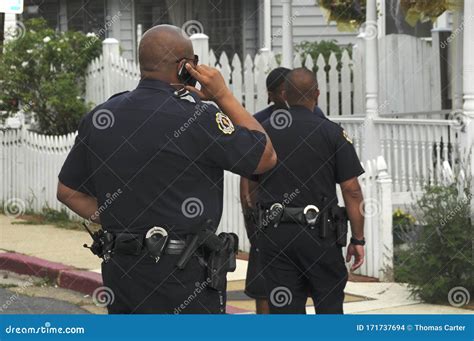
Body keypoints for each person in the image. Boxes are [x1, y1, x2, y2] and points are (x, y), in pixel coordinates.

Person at [56, 24, 277, 314]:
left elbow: (67, 191)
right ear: (186, 66)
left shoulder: (102, 115)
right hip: (184, 276)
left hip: (122, 273)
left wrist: (121, 220)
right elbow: (265, 157)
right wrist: (223, 95)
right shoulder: (198, 117)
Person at [252, 67, 366, 314]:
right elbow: (352, 190)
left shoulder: (265, 131)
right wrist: (358, 238)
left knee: (285, 313)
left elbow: (250, 185)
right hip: (319, 235)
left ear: (284, 93)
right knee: (329, 308)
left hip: (276, 233)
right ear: (317, 93)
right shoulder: (331, 133)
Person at [240, 67, 325, 314]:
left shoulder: (316, 118)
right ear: (272, 93)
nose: (289, 93)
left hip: (307, 224)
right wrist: (253, 224)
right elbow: (247, 182)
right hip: (269, 221)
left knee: (303, 291)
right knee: (264, 288)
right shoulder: (258, 124)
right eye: (283, 89)